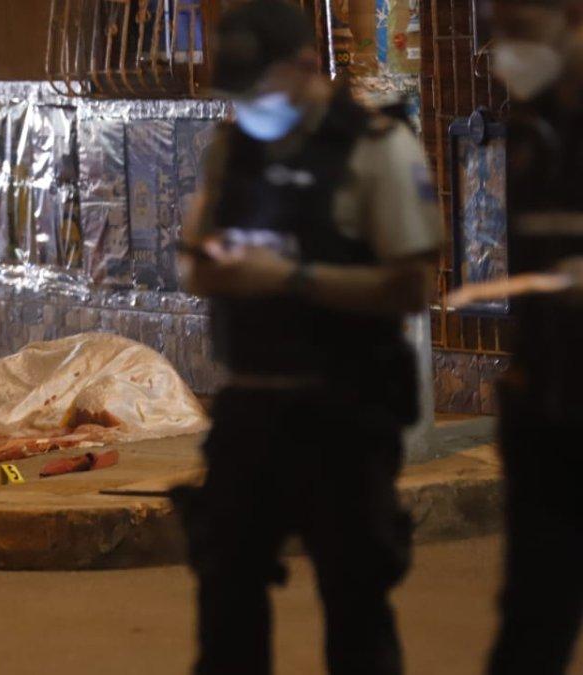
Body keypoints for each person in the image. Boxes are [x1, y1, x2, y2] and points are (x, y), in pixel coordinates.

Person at [172, 1, 442, 673]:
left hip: (346, 415)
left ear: (304, 68)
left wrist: (290, 279)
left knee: (357, 614)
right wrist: (211, 267)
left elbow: (412, 287)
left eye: (257, 89)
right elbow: (192, 259)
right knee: (225, 609)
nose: (248, 107)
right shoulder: (234, 148)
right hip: (248, 409)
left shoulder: (376, 148)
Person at [485, 1, 583, 671]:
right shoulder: (534, 128)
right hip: (547, 413)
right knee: (533, 620)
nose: (508, 46)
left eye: (523, 23)